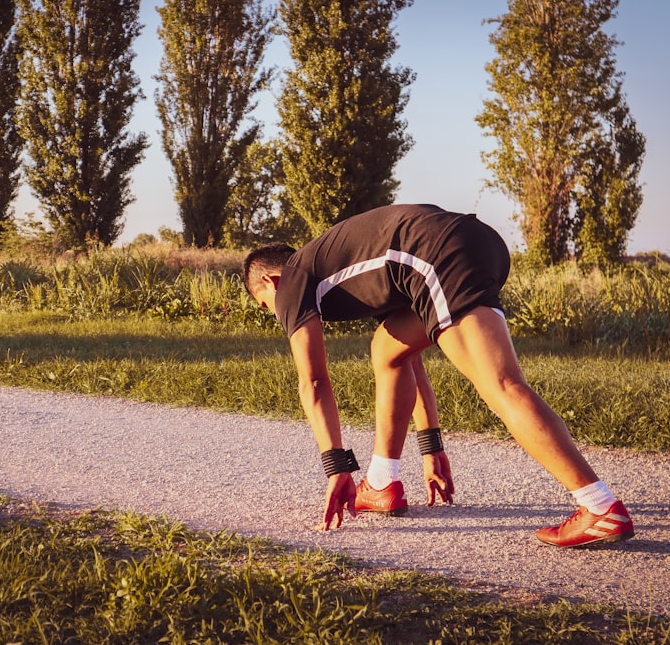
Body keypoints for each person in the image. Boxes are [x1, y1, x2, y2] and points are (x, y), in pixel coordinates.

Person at [242, 203, 635, 547]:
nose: (276, 314)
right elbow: (411, 358)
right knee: (387, 349)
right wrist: (431, 446)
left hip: (439, 250)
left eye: (266, 306)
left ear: (269, 282)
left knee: (501, 385)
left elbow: (313, 382)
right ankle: (382, 483)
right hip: (473, 243)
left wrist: (337, 467)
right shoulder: (350, 269)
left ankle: (598, 507)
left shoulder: (291, 278)